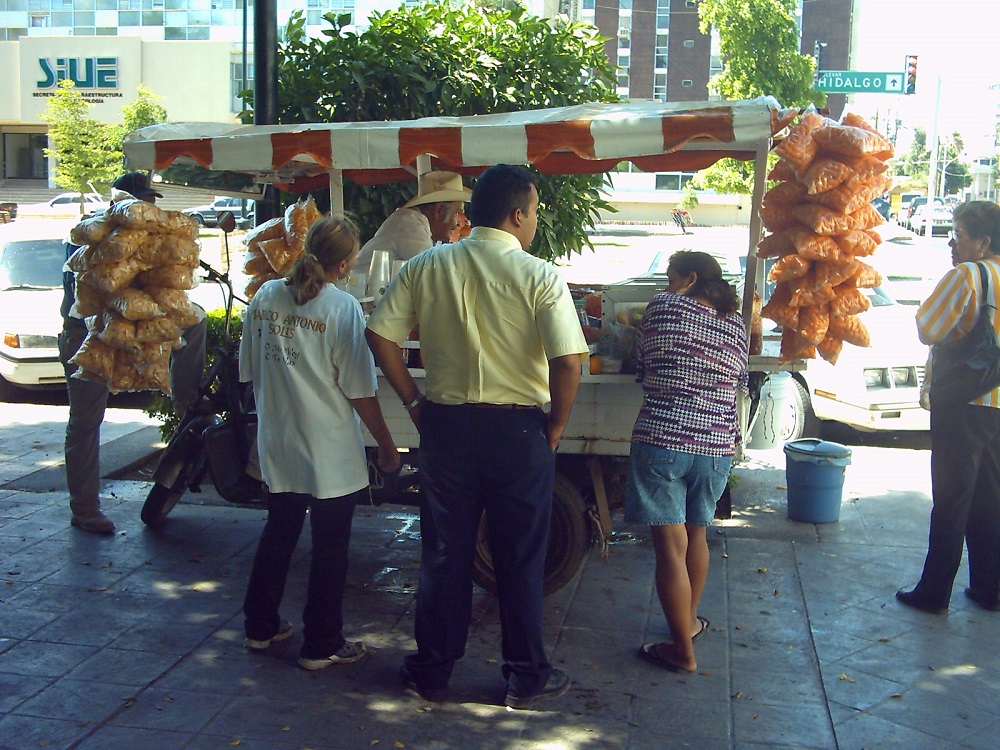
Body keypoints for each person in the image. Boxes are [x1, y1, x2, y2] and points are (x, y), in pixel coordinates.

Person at [365, 164, 588, 709]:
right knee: (520, 558)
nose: (534, 222)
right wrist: (554, 425)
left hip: (446, 429)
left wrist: (414, 402)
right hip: (518, 432)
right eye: (533, 212)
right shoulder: (539, 275)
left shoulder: (428, 265)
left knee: (445, 554)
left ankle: (432, 671)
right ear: (517, 215)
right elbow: (569, 362)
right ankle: (524, 677)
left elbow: (379, 335)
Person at [240, 214, 401, 670]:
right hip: (329, 450)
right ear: (347, 263)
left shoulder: (266, 296)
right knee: (330, 546)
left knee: (279, 532)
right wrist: (386, 444)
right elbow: (359, 389)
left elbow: (248, 369)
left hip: (279, 440)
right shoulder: (341, 308)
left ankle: (260, 625)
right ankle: (321, 643)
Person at [59, 171, 207, 535]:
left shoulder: (149, 239)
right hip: (87, 337)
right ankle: (85, 509)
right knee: (85, 423)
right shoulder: (94, 236)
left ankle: (188, 397)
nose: (149, 206)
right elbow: (93, 287)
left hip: (135, 331)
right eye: (142, 199)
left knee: (197, 320)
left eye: (151, 200)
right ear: (121, 201)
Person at [627, 251, 748, 673]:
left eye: (670, 277)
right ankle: (688, 624)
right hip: (716, 447)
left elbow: (641, 367)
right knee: (697, 534)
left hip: (664, 438)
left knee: (669, 548)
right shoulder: (737, 321)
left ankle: (682, 651)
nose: (664, 285)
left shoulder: (662, 306)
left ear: (690, 279)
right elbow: (739, 377)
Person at [897, 201, 1000, 614]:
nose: (952, 243)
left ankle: (933, 591)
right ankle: (990, 588)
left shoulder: (969, 276)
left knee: (952, 496)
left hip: (963, 401)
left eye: (957, 234)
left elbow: (929, 328)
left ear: (983, 241)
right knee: (990, 495)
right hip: (996, 402)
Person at [354, 170, 471, 274]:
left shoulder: (413, 221)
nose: (457, 223)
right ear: (439, 210)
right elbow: (433, 273)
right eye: (457, 213)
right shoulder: (410, 223)